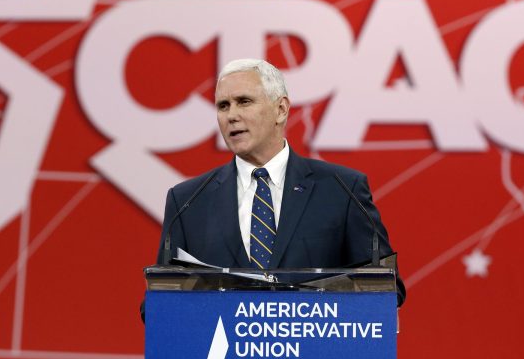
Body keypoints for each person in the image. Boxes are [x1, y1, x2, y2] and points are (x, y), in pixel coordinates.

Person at [155, 58, 406, 306]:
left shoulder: (342, 190)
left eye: (244, 102)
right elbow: (160, 298)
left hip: (314, 342)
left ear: (281, 109)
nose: (231, 115)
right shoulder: (188, 201)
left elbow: (385, 287)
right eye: (223, 106)